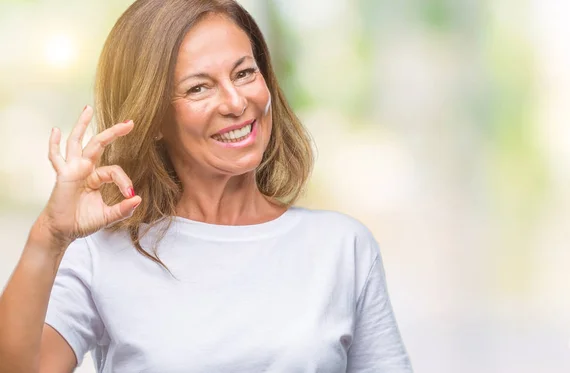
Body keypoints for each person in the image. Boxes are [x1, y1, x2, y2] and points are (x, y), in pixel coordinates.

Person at [0, 0, 413, 372]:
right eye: (198, 87)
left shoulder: (341, 246)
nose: (235, 103)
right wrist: (50, 236)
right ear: (153, 118)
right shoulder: (99, 255)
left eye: (245, 73)